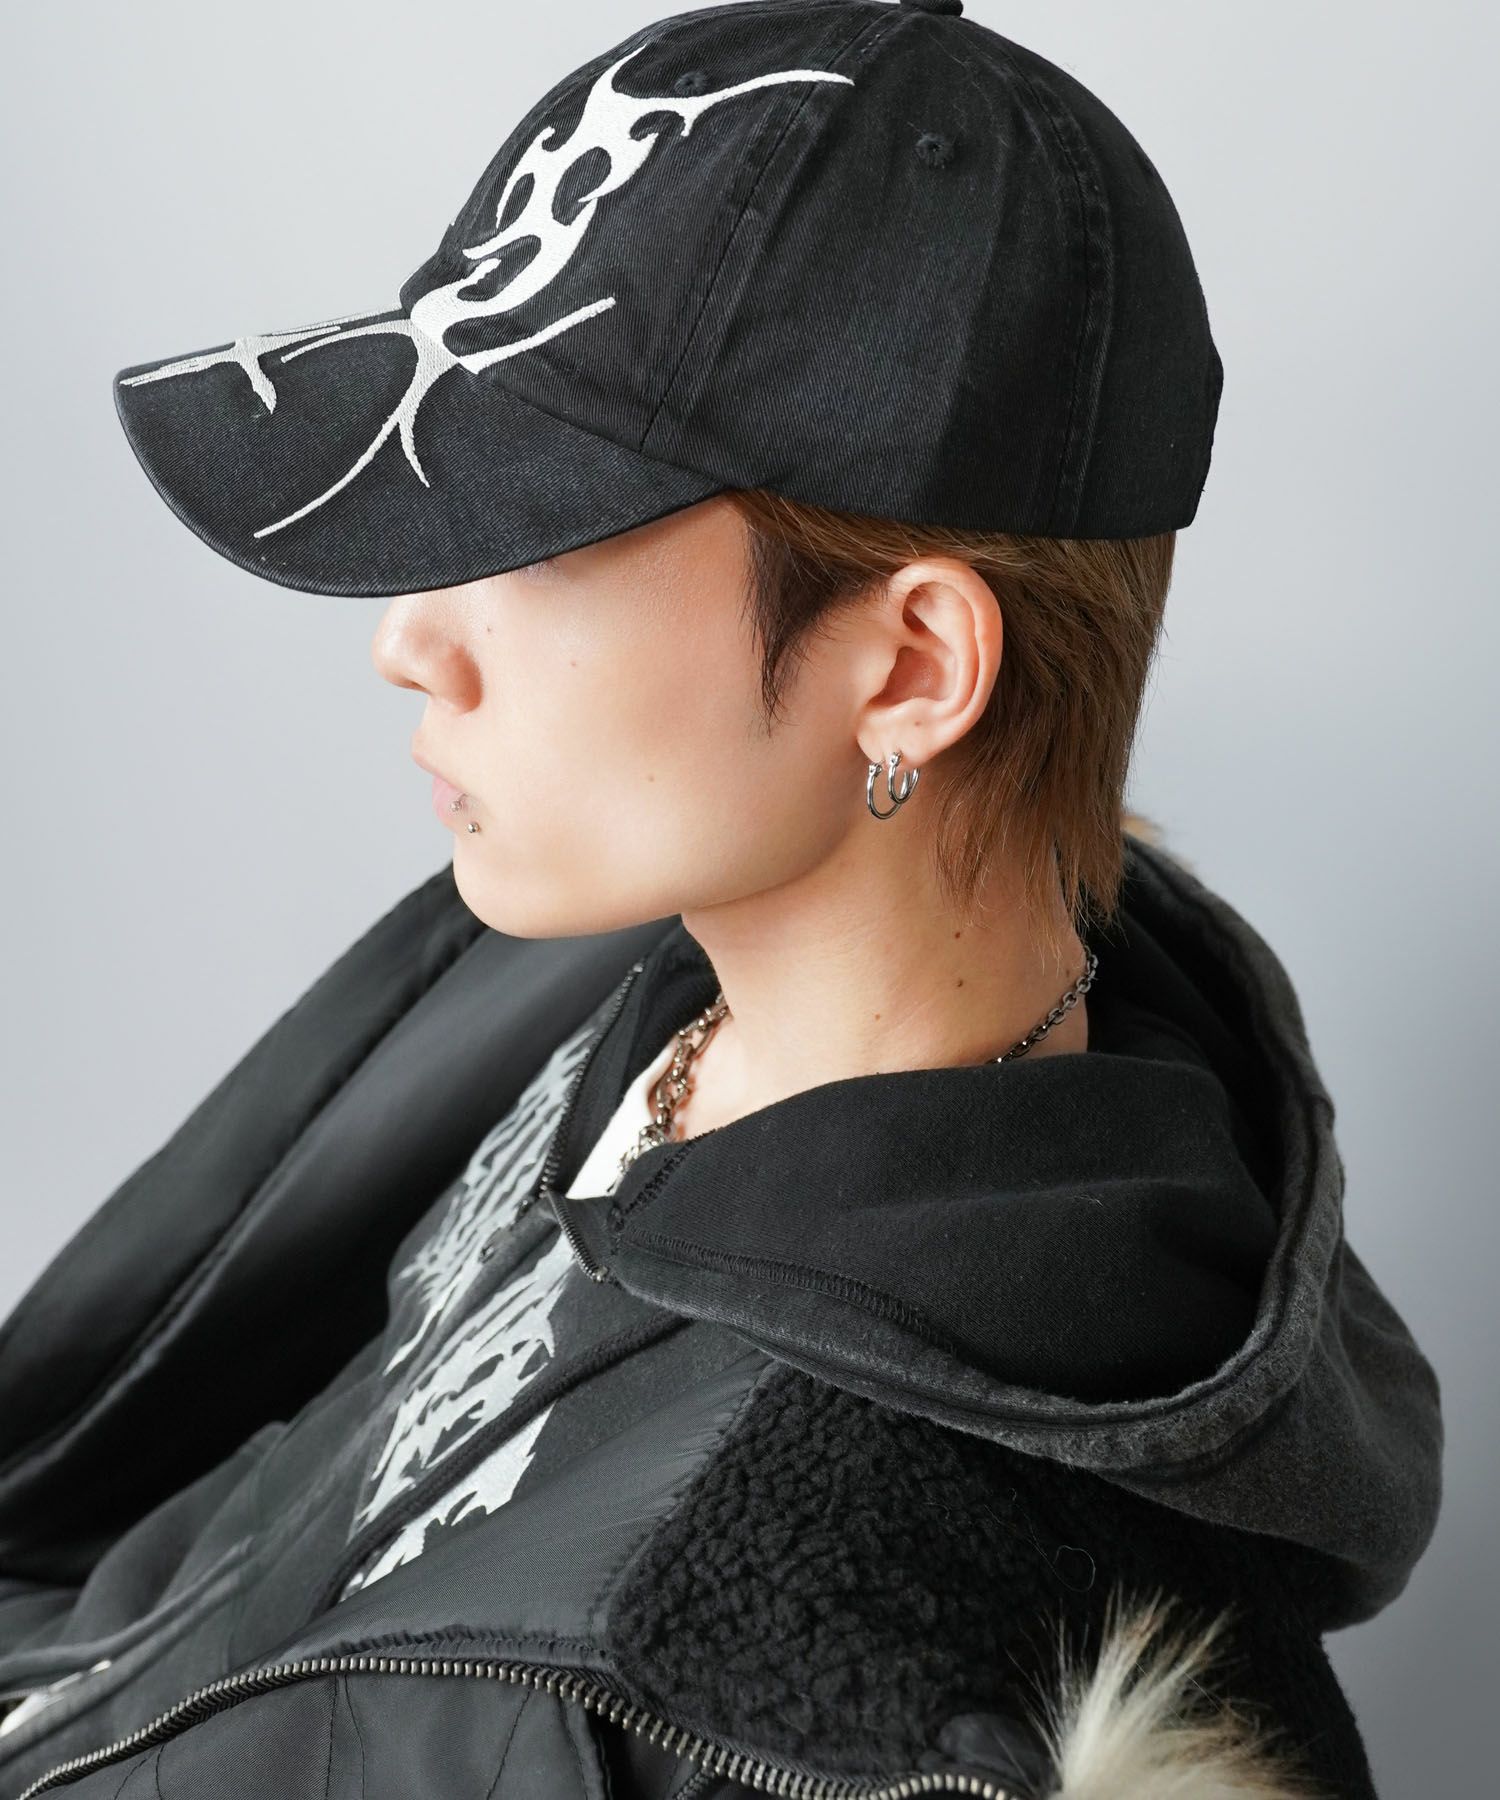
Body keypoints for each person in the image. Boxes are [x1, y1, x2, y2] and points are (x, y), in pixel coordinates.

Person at [0, 2, 1442, 1796]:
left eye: (540, 528)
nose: (409, 640)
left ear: (909, 668)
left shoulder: (850, 1679)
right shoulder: (630, 980)